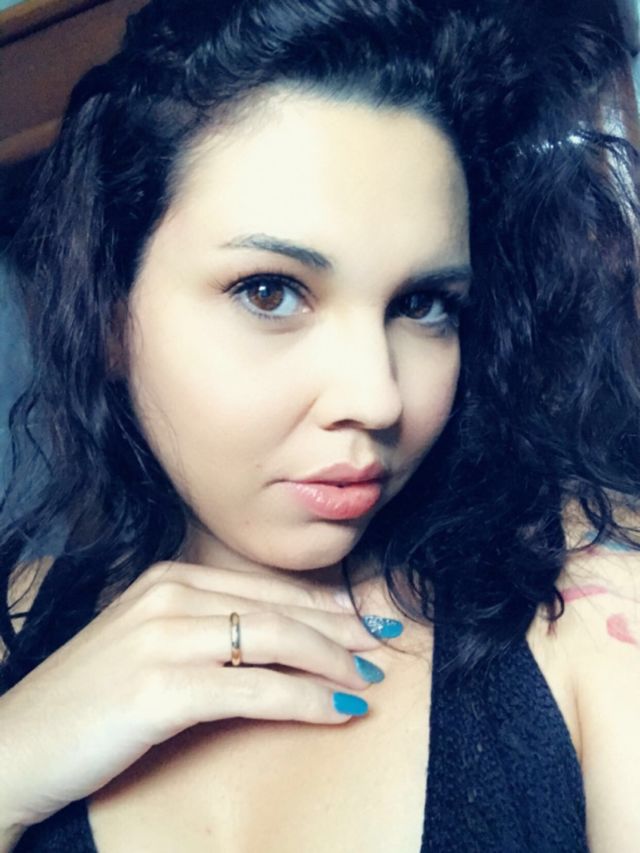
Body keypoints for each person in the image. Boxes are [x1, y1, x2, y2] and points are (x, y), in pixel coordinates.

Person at [0, 0, 639, 849]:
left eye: (423, 304)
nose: (378, 399)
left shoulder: (588, 606)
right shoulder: (17, 626)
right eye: (270, 292)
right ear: (110, 313)